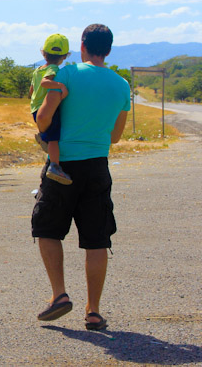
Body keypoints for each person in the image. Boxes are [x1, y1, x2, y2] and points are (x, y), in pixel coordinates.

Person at [32, 24, 131, 332]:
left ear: (83, 45)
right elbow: (115, 137)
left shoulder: (69, 74)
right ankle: (94, 311)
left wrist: (43, 120)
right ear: (110, 50)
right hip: (98, 167)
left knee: (47, 228)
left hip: (63, 166)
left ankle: (59, 294)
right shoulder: (121, 85)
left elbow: (44, 118)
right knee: (97, 239)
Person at [29, 33, 72, 185]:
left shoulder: (38, 70)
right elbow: (45, 83)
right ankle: (55, 166)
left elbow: (32, 89)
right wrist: (60, 86)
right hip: (45, 109)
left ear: (43, 53)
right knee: (54, 139)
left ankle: (43, 136)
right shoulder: (53, 69)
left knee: (49, 134)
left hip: (35, 108)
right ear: (65, 56)